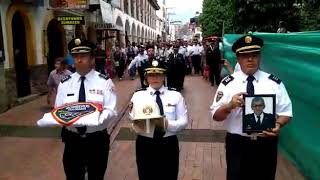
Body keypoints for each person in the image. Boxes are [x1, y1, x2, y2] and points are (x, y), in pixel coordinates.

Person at [210, 35, 292, 180]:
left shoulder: (274, 83)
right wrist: (229, 106)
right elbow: (216, 116)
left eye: (254, 55)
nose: (250, 59)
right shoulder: (228, 83)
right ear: (238, 58)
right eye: (245, 56)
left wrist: (278, 124)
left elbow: (286, 112)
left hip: (265, 143)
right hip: (237, 144)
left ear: (260, 57)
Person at [55, 38, 117, 180]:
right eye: (75, 56)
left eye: (83, 56)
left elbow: (111, 111)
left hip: (97, 140)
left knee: (97, 176)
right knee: (73, 176)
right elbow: (59, 110)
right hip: (72, 140)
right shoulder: (65, 84)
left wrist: (94, 119)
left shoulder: (104, 82)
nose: (79, 60)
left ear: (92, 59)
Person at [130, 59, 188, 180]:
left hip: (168, 143)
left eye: (159, 74)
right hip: (145, 143)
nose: (155, 77)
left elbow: (183, 121)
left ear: (164, 76)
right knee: (146, 175)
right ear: (146, 77)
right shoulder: (138, 95)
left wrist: (167, 124)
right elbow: (132, 118)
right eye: (151, 75)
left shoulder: (175, 95)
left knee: (169, 175)